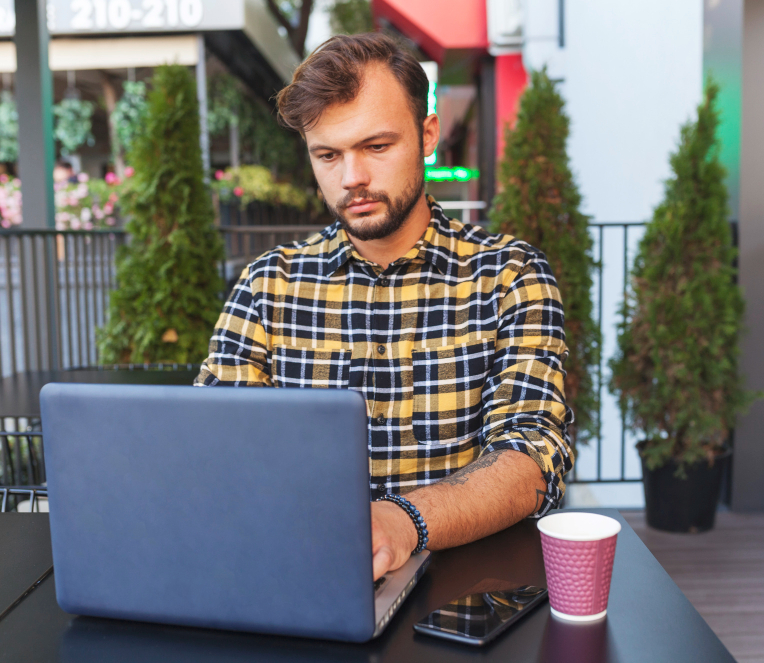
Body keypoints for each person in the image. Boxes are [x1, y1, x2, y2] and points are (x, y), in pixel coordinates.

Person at [194, 33, 574, 581]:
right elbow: (215, 446)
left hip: (467, 594)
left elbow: (532, 458)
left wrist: (404, 521)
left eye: (376, 146)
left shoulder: (509, 277)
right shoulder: (266, 286)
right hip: (306, 577)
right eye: (328, 154)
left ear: (427, 136)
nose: (352, 178)